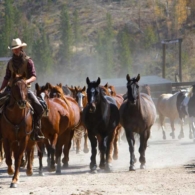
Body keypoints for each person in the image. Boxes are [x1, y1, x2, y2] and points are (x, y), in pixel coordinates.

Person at [0, 38, 45, 141]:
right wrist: (1, 89)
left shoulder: (28, 61)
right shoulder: (10, 63)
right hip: (10, 89)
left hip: (24, 89)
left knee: (39, 107)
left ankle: (36, 130)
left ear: (21, 48)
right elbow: (7, 77)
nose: (15, 50)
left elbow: (34, 76)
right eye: (14, 49)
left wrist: (25, 82)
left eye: (17, 48)